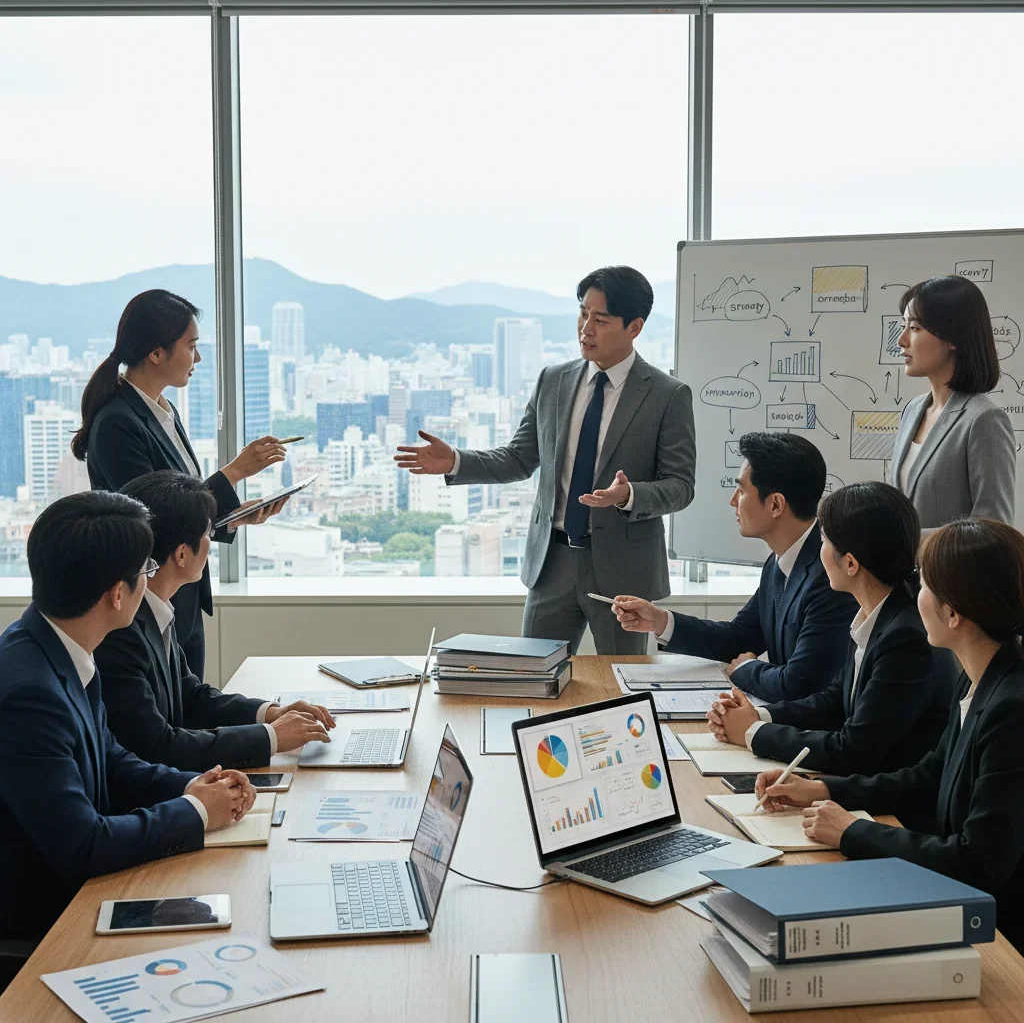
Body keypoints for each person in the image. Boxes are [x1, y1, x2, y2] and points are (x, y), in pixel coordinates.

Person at [394, 266, 695, 655]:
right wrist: (455, 461)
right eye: (583, 313)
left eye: (600, 320)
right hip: (551, 563)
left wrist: (629, 495)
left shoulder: (667, 395)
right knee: (533, 679)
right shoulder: (553, 381)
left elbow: (681, 486)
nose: (586, 328)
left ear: (634, 327)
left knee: (624, 688)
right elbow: (519, 459)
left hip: (625, 570)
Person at [0, 491, 256, 946]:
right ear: (118, 594)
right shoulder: (30, 693)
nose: (150, 580)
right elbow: (83, 843)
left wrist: (192, 787)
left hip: (80, 891)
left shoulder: (55, 646)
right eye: (146, 571)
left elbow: (113, 760)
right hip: (45, 925)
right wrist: (196, 812)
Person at [756, 518, 1024, 952]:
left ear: (953, 614)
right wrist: (823, 789)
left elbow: (977, 861)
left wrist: (851, 832)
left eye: (923, 585)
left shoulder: (1011, 707)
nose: (914, 595)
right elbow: (928, 774)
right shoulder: (980, 674)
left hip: (999, 940)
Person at [71, 289, 289, 680]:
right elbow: (151, 518)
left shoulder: (162, 411)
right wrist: (234, 471)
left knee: (191, 710)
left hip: (180, 599)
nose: (199, 358)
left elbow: (182, 508)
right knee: (172, 726)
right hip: (149, 601)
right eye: (191, 346)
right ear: (157, 353)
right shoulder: (119, 423)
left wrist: (232, 518)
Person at [707, 483, 955, 807]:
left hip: (891, 810)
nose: (818, 549)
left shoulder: (905, 638)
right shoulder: (877, 613)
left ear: (850, 564)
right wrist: (760, 716)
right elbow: (833, 701)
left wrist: (753, 733)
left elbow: (853, 751)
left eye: (823, 541)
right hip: (861, 793)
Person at [95, 471, 334, 772]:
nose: (210, 543)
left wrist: (270, 713)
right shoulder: (122, 629)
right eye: (207, 534)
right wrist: (270, 738)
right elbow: (156, 746)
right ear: (182, 554)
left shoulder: (155, 608)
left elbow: (192, 697)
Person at [613, 432, 856, 702]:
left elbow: (800, 684)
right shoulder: (781, 560)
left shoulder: (830, 576)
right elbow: (739, 638)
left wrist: (746, 669)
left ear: (775, 504)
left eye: (741, 490)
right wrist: (660, 621)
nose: (732, 500)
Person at [891, 275, 1015, 531]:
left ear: (952, 338)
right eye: (904, 326)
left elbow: (993, 529)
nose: (901, 340)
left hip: (951, 572)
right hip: (906, 572)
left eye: (914, 328)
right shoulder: (912, 410)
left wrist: (904, 545)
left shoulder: (984, 419)